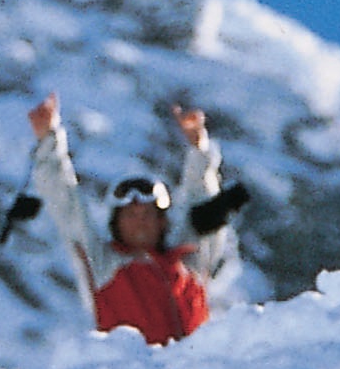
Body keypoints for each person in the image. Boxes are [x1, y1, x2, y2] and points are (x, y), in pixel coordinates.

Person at [27, 92, 245, 346]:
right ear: (115, 223)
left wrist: (199, 149)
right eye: (130, 214)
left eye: (148, 214)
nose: (139, 220)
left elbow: (201, 199)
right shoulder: (102, 265)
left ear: (163, 221)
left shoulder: (190, 261)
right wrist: (48, 139)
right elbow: (66, 203)